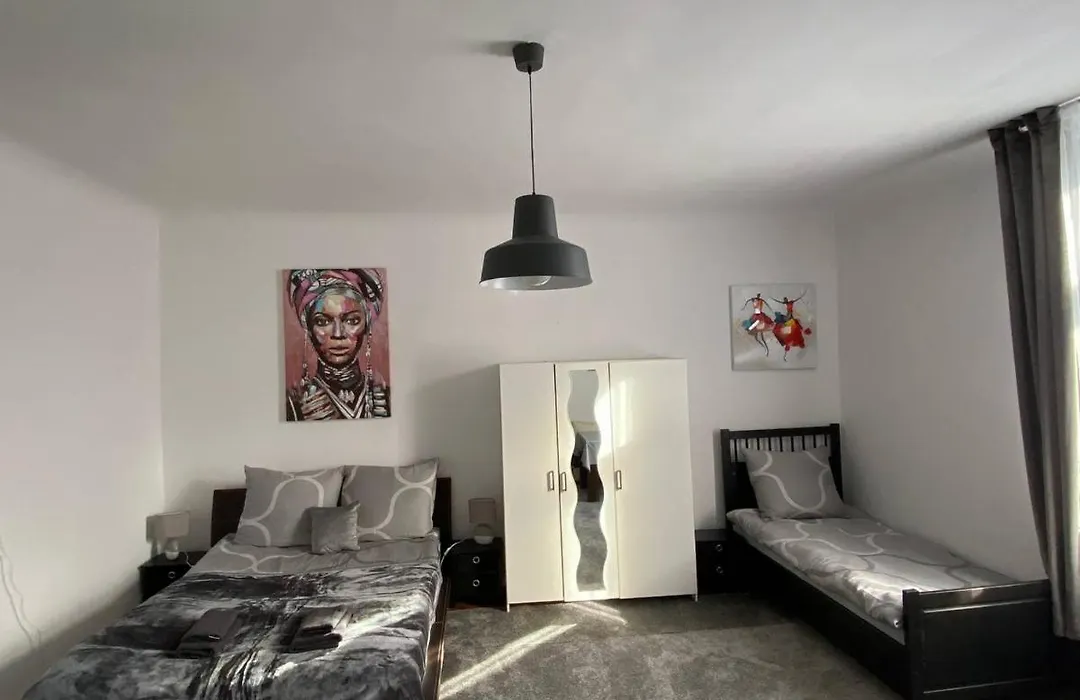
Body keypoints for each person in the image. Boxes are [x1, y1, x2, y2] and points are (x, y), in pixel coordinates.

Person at [285, 268, 390, 420]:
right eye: (322, 321)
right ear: (308, 327)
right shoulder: (293, 404)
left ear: (366, 325)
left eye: (352, 320)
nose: (338, 334)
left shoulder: (386, 399)